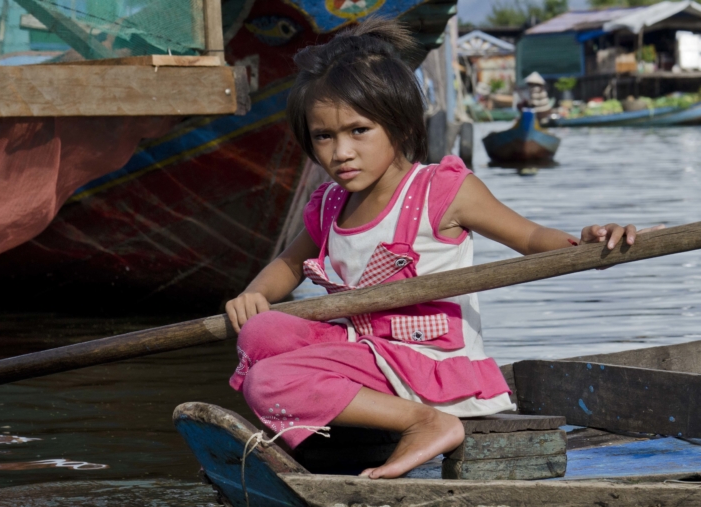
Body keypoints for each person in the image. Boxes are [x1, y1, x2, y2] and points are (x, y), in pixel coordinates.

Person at [226, 19, 657, 480]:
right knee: (260, 332)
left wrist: (588, 243)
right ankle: (341, 419)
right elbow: (289, 263)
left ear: (399, 125)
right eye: (324, 136)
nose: (341, 152)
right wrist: (254, 295)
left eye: (359, 130)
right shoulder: (331, 204)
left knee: (267, 381)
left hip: (429, 366)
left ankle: (426, 423)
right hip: (364, 354)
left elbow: (532, 239)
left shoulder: (441, 191)